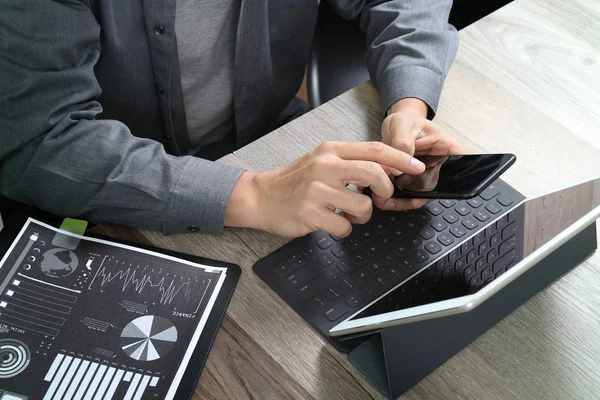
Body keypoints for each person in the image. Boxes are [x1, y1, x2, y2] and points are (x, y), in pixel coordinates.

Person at [0, 0, 466, 239]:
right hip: (108, 205)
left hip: (271, 142)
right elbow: (41, 137)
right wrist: (255, 195)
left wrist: (408, 103)